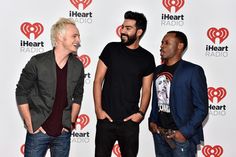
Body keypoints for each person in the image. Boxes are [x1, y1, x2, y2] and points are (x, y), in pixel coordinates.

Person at [15, 17, 84, 157]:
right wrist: (30, 124)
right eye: (74, 36)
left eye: (78, 36)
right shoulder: (37, 62)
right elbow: (21, 92)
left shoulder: (78, 66)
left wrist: (70, 123)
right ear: (60, 37)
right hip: (38, 133)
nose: (78, 40)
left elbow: (78, 95)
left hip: (63, 135)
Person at [93, 11, 155, 157]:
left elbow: (147, 90)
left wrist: (141, 113)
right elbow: (97, 80)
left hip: (130, 123)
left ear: (139, 32)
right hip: (105, 120)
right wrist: (98, 110)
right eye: (123, 27)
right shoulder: (111, 49)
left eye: (128, 28)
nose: (122, 31)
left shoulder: (147, 58)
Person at [149, 31, 208, 157]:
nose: (162, 46)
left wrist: (184, 133)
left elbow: (202, 108)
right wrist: (152, 120)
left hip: (181, 138)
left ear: (180, 46)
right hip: (160, 135)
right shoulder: (158, 70)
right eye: (161, 43)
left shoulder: (193, 71)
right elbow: (156, 99)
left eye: (166, 43)